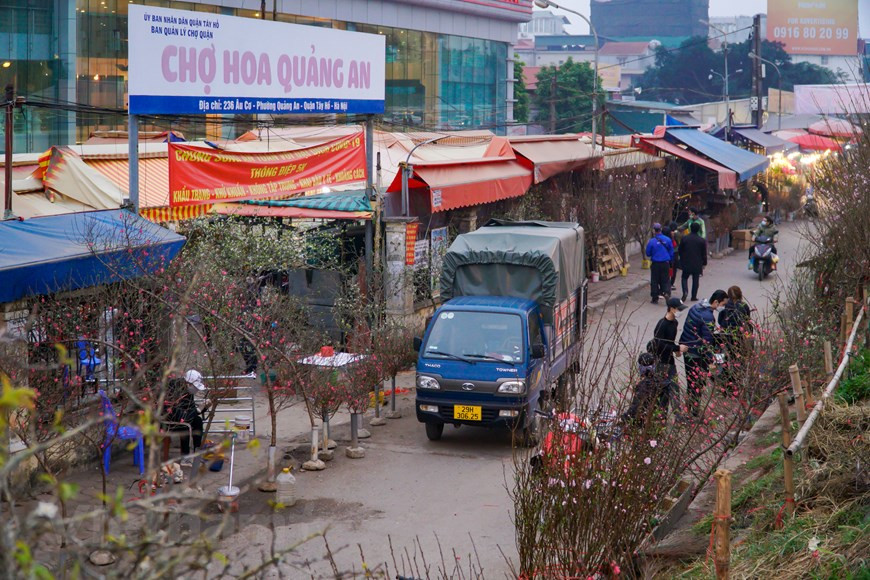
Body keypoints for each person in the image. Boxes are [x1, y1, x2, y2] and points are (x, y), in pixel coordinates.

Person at [679, 289, 729, 418]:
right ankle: (694, 411)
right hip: (696, 352)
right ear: (716, 302)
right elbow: (707, 342)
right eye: (722, 305)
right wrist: (711, 361)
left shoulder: (696, 307)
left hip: (687, 347)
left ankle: (689, 407)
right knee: (698, 382)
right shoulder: (708, 317)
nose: (722, 307)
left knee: (691, 381)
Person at [651, 297, 689, 413]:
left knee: (674, 388)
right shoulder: (662, 325)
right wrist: (677, 348)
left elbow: (669, 342)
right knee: (663, 391)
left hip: (670, 360)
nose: (680, 312)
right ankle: (661, 415)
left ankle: (678, 415)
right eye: (679, 309)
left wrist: (676, 350)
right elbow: (659, 345)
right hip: (661, 362)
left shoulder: (674, 322)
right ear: (672, 309)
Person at [164, 377, 204, 465]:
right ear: (189, 384)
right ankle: (185, 457)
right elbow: (179, 415)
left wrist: (203, 408)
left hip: (183, 418)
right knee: (185, 426)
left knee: (198, 421)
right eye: (195, 388)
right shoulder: (175, 392)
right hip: (172, 420)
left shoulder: (188, 392)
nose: (196, 390)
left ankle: (196, 452)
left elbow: (190, 410)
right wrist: (197, 410)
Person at [623, 352, 668, 424]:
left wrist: (623, 418)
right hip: (658, 421)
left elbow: (635, 409)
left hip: (644, 423)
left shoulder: (644, 385)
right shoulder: (662, 382)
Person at [718, 286, 753, 362]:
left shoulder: (724, 306)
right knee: (739, 356)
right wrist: (749, 335)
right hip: (739, 335)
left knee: (724, 356)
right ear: (740, 294)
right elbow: (747, 321)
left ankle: (724, 370)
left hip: (725, 334)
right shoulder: (744, 306)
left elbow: (719, 321)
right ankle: (739, 370)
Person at [678, 222, 708, 302]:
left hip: (686, 262)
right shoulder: (701, 240)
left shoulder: (684, 238)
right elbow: (704, 253)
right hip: (697, 263)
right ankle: (693, 296)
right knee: (695, 279)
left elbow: (680, 250)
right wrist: (704, 263)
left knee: (684, 277)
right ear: (698, 230)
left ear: (690, 228)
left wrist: (682, 258)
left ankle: (685, 291)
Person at [645, 222, 674, 304]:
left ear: (654, 231)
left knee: (654, 281)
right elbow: (671, 252)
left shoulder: (652, 241)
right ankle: (666, 292)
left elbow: (648, 253)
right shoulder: (668, 240)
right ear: (661, 229)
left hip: (655, 264)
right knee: (665, 280)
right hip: (665, 263)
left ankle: (655, 297)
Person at [668, 220, 682, 289]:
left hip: (668, 253)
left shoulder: (667, 233)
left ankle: (667, 282)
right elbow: (679, 242)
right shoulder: (677, 234)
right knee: (673, 269)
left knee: (669, 268)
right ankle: (671, 283)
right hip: (675, 252)